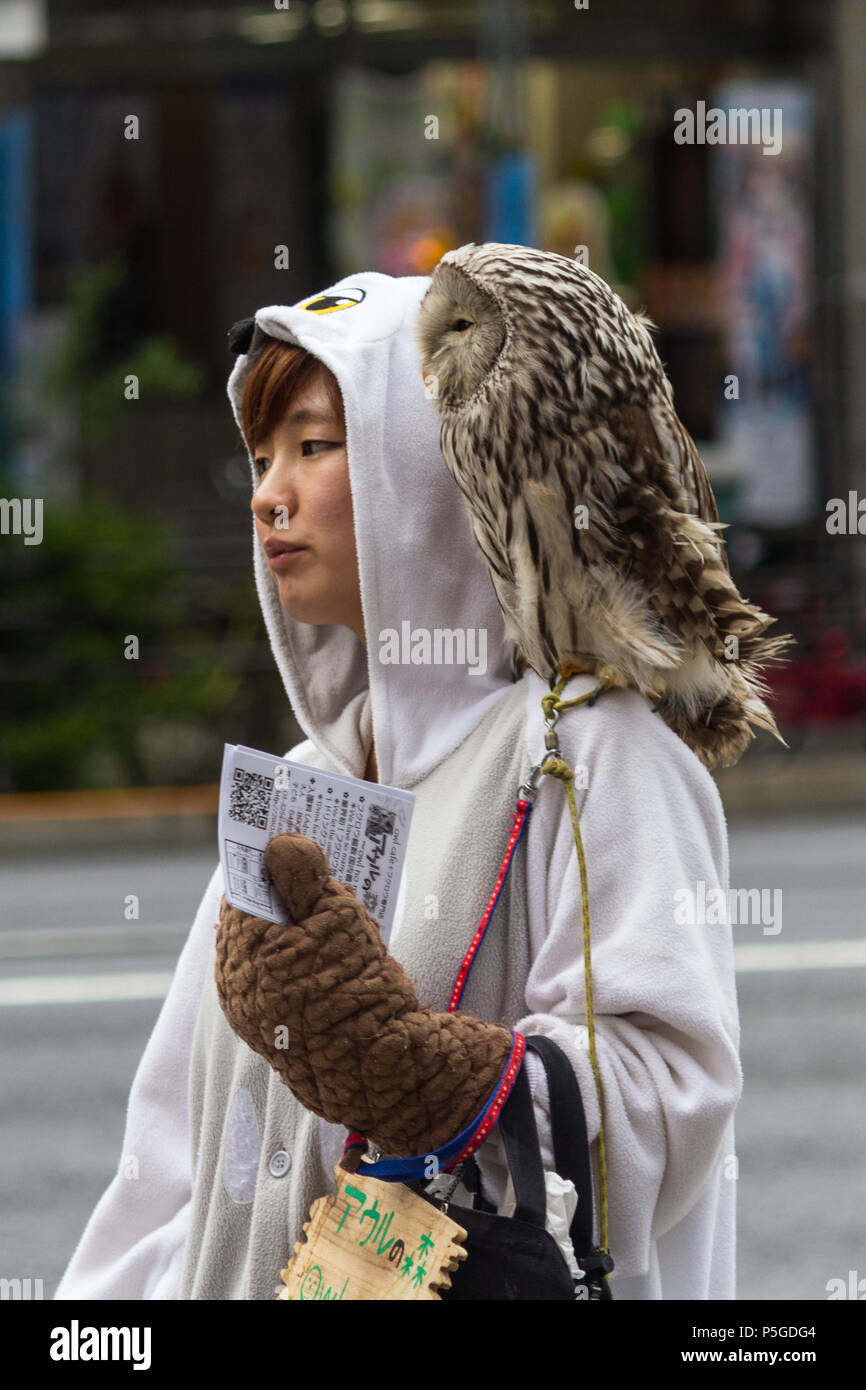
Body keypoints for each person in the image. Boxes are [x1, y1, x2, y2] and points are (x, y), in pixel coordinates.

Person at [54, 269, 742, 1301]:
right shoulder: (292, 785)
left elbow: (668, 1096)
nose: (265, 492)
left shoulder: (594, 752)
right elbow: (174, 1169)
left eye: (314, 444)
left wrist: (420, 1072)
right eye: (258, 455)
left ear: (424, 459)